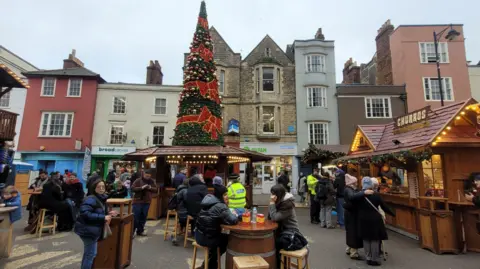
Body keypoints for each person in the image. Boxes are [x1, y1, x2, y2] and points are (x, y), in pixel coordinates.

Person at [74, 178, 117, 269]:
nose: (101, 189)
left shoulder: (100, 198)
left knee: (89, 254)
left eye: (103, 187)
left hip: (91, 229)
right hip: (87, 230)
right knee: (90, 255)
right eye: (99, 187)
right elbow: (85, 214)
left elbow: (96, 212)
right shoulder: (91, 199)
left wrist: (108, 214)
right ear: (94, 188)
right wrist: (103, 217)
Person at [195, 184, 238, 269]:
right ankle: (211, 264)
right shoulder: (220, 206)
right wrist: (235, 215)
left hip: (199, 235)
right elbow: (233, 220)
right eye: (225, 194)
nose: (227, 197)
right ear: (220, 195)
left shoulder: (208, 201)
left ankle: (208, 264)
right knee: (227, 239)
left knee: (219, 238)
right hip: (207, 239)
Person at [357, 177, 395, 266]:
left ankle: (368, 258)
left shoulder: (359, 196)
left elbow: (352, 204)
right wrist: (392, 214)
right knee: (374, 239)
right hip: (375, 219)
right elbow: (384, 206)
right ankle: (374, 259)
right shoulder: (376, 195)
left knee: (366, 238)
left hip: (363, 219)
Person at [268, 184, 306, 268]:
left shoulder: (287, 204)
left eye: (273, 194)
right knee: (271, 241)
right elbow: (270, 215)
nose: (271, 196)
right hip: (282, 230)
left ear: (279, 195)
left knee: (276, 244)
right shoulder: (280, 201)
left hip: (291, 233)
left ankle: (282, 266)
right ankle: (279, 264)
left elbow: (274, 217)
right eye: (271, 194)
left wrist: (272, 203)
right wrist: (272, 204)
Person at [343, 169, 363, 260]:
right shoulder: (349, 190)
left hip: (349, 213)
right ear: (352, 183)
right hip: (352, 214)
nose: (357, 183)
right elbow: (352, 197)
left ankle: (349, 248)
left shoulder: (348, 189)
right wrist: (363, 193)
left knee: (350, 231)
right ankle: (353, 252)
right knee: (353, 231)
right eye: (355, 182)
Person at [131, 169, 157, 236]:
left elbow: (156, 189)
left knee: (143, 217)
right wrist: (141, 188)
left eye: (148, 176)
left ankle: (140, 231)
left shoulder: (151, 181)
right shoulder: (138, 180)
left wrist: (150, 187)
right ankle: (132, 232)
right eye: (146, 176)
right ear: (143, 174)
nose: (147, 177)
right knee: (136, 217)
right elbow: (132, 188)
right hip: (137, 201)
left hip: (147, 201)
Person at [173, 178, 189, 245]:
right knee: (192, 217)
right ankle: (191, 234)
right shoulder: (185, 190)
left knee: (183, 217)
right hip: (183, 210)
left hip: (179, 209)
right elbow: (186, 200)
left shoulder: (179, 188)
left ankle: (181, 230)